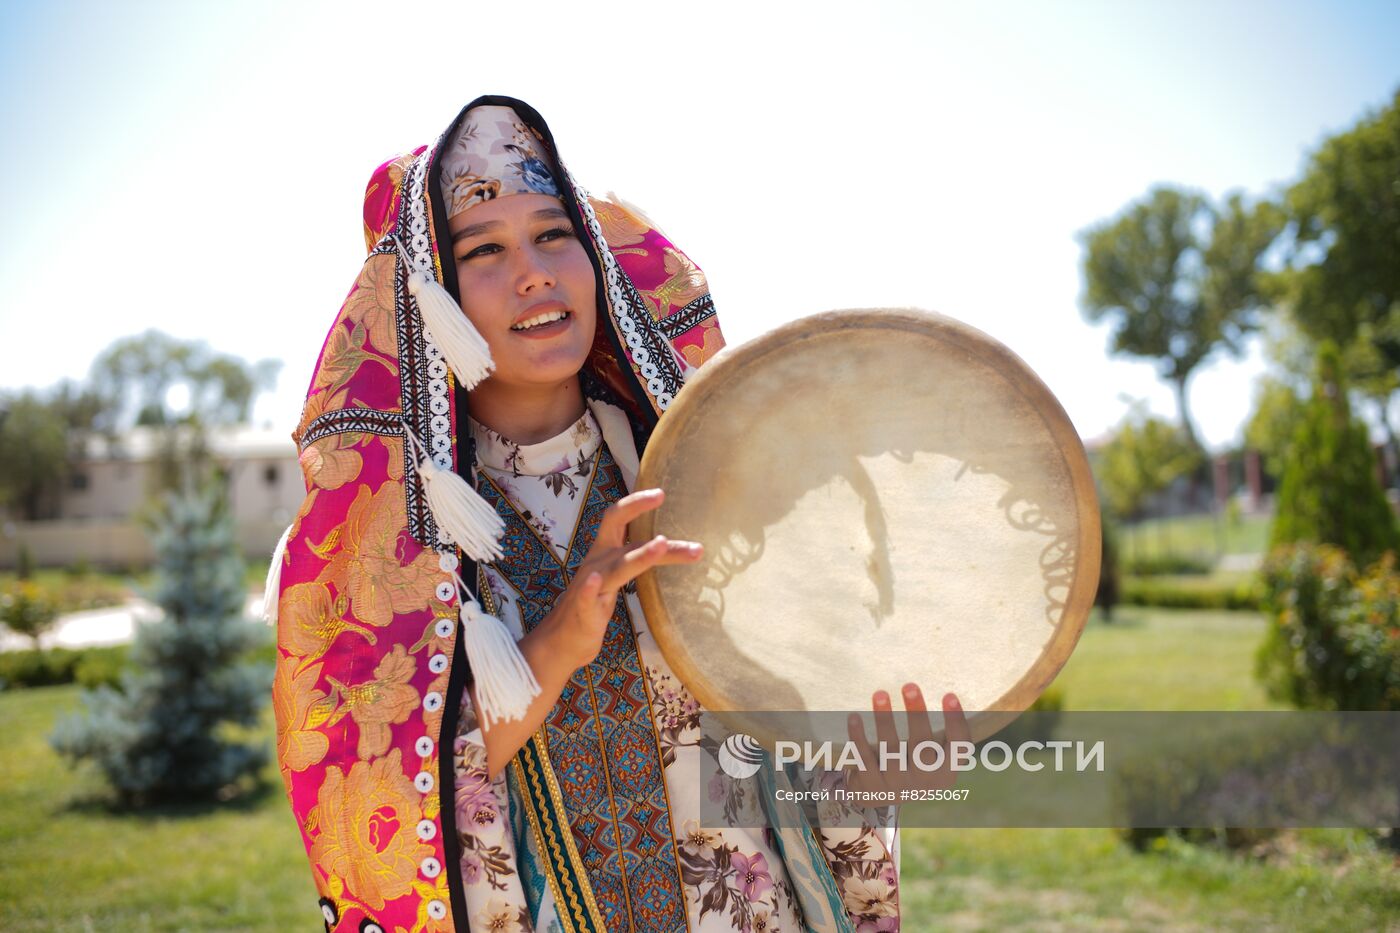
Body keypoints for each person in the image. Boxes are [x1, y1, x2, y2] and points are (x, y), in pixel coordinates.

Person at [272, 95, 965, 933]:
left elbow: (780, 750)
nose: (535, 271)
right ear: (429, 297)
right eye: (485, 249)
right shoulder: (384, 553)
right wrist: (553, 648)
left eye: (554, 233)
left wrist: (882, 764)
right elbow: (371, 803)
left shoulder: (715, 482)